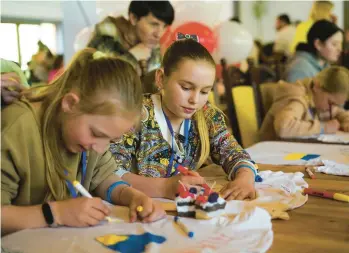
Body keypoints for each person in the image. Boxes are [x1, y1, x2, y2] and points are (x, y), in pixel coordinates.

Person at [1, 48, 166, 236]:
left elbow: (103, 179)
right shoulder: (17, 127)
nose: (100, 147)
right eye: (96, 133)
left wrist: (132, 196)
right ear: (70, 104)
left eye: (110, 140)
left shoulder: (92, 136)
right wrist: (56, 213)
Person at [110, 39, 258, 201]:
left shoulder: (206, 115)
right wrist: (164, 187)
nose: (195, 100)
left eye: (204, 91)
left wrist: (244, 179)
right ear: (160, 78)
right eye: (186, 88)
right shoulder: (135, 114)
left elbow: (235, 154)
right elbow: (109, 172)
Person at [259, 66, 349, 141]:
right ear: (317, 86)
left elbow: (338, 112)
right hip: (268, 155)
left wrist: (347, 122)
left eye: (337, 104)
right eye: (331, 102)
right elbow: (284, 127)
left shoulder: (318, 98)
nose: (332, 108)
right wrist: (323, 128)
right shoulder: (296, 96)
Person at [88, 0, 174, 77]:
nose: (159, 34)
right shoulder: (107, 30)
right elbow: (102, 76)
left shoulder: (152, 44)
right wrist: (134, 56)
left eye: (165, 26)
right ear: (134, 18)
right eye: (154, 24)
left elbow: (153, 83)